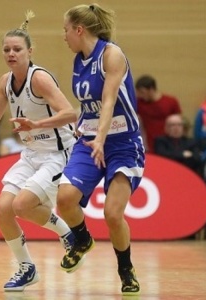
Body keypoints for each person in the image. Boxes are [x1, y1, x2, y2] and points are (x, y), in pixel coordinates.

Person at [0, 10, 77, 292]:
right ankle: (27, 268)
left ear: (29, 51)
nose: (11, 53)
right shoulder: (4, 82)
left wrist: (36, 123)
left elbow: (70, 114)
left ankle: (67, 233)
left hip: (58, 153)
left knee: (21, 205)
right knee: (1, 211)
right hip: (32, 154)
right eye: (7, 49)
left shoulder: (40, 79)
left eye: (17, 49)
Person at [57, 4, 145, 296]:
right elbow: (89, 107)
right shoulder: (78, 61)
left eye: (66, 29)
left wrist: (102, 137)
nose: (63, 36)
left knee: (112, 213)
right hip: (90, 140)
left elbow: (108, 101)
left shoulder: (111, 54)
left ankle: (126, 269)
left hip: (123, 144)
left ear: (79, 30)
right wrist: (86, 131)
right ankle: (82, 239)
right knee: (65, 199)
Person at [135, 74, 182, 153]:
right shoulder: (139, 103)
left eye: (142, 92)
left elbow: (178, 122)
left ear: (151, 89)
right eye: (138, 92)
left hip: (168, 144)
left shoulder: (171, 102)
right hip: (149, 144)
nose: (140, 95)